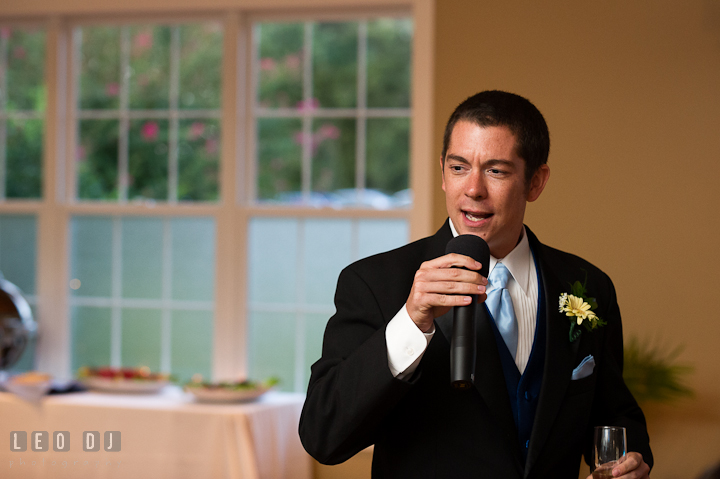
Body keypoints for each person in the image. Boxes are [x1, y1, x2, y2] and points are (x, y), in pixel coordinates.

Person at [299, 91, 652, 479]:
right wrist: (411, 322)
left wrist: (632, 457)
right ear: (442, 171)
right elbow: (323, 436)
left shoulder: (588, 286)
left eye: (496, 171)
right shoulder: (373, 282)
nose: (473, 189)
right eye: (459, 167)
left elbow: (615, 415)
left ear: (535, 182)